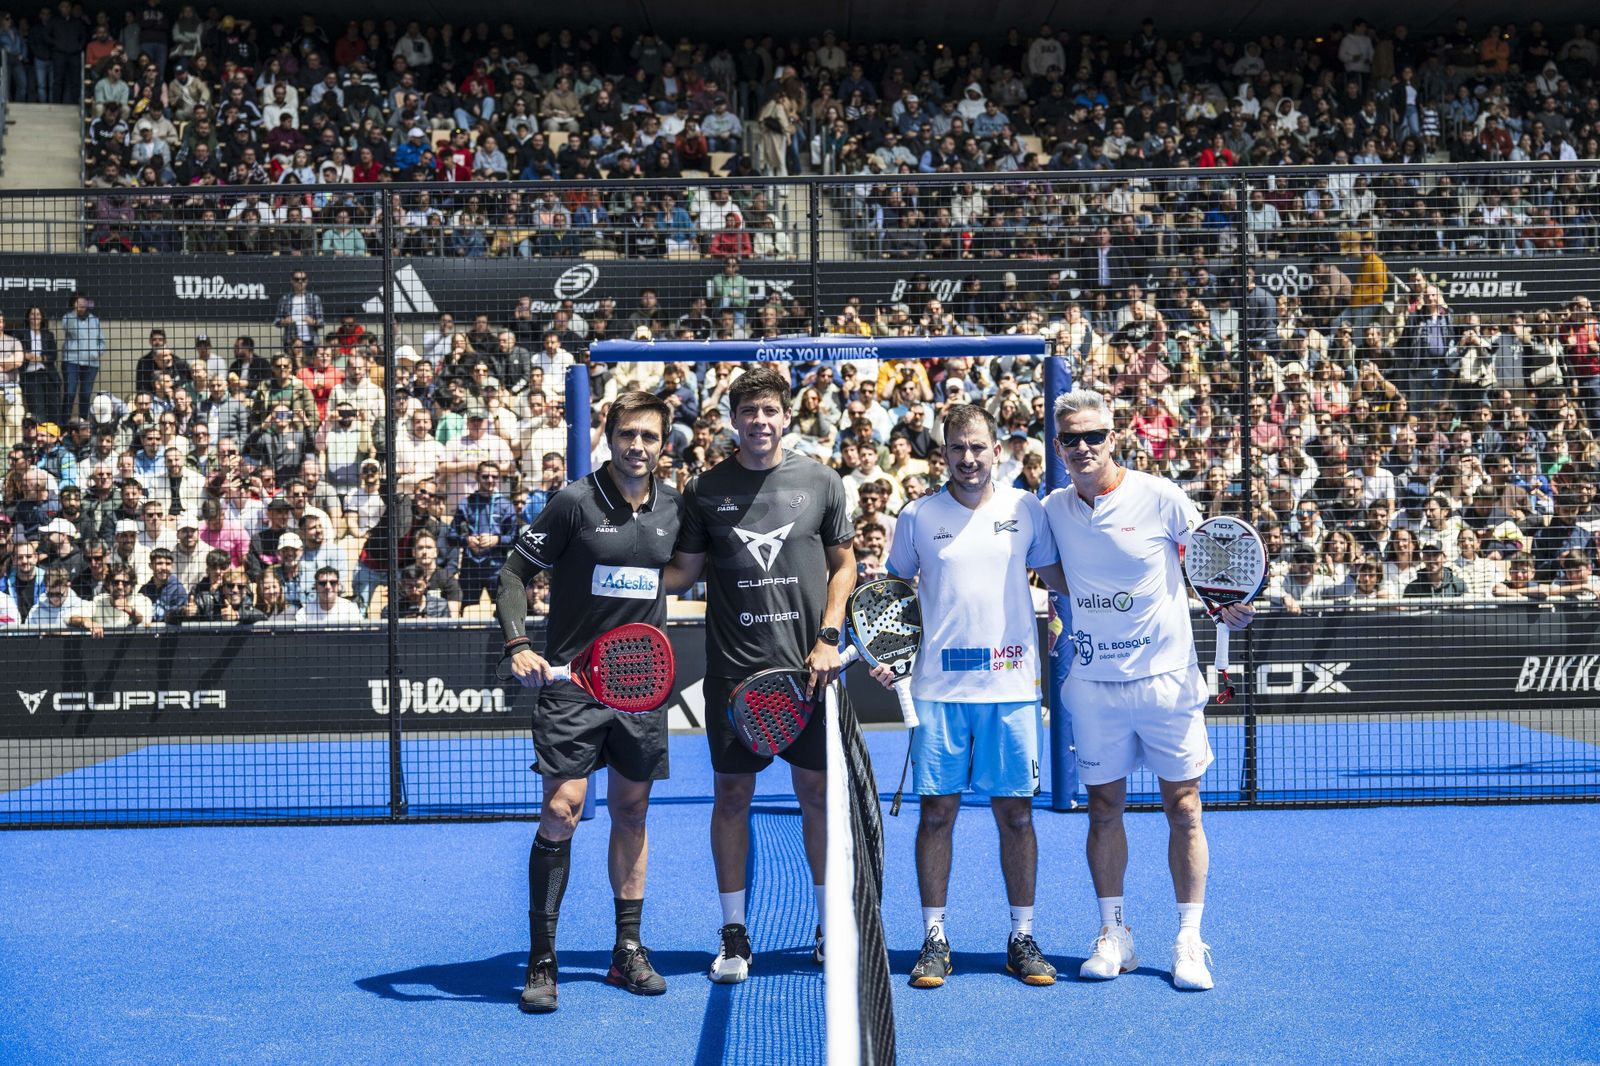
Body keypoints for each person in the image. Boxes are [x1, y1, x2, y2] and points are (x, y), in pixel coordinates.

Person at [1039, 389, 1254, 992]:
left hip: (1166, 682)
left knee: (1183, 809)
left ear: (1115, 438)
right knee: (1104, 810)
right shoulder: (1053, 508)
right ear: (1059, 446)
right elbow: (1053, 574)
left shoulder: (1160, 497)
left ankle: (1188, 942)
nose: (1083, 448)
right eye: (1071, 439)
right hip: (1094, 686)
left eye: (1093, 437)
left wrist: (1228, 605)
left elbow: (1213, 560)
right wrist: (1074, 604)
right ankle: (1114, 934)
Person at [662, 365, 854, 983]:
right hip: (733, 676)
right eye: (749, 413)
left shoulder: (821, 481)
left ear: (785, 416)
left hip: (810, 672)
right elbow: (681, 575)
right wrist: (608, 574)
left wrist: (828, 636)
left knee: (818, 798)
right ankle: (735, 936)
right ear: (732, 419)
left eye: (770, 412)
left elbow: (844, 567)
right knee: (731, 798)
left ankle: (829, 926)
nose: (760, 422)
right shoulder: (703, 489)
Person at [495, 391, 681, 1014]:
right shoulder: (574, 502)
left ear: (665, 443)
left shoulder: (673, 508)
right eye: (628, 434)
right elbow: (513, 574)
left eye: (650, 437)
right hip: (573, 687)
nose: (638, 447)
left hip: (640, 687)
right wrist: (519, 642)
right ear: (609, 436)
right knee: (561, 809)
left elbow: (681, 572)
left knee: (632, 814)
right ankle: (542, 958)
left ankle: (627, 951)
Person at [884, 402, 1067, 988]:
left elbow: (1061, 579)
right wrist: (887, 653)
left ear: (997, 450)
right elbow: (894, 592)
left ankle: (1021, 937)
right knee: (937, 814)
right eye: (957, 448)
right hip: (937, 690)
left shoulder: (1026, 509)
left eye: (978, 447)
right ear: (944, 453)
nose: (968, 458)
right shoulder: (916, 515)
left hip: (1011, 687)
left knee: (1015, 815)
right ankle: (934, 939)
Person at [293, 566, 361, 624]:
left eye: (332, 582)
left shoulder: (351, 610)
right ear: (316, 587)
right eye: (322, 583)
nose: (328, 587)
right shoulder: (303, 613)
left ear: (338, 586)